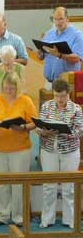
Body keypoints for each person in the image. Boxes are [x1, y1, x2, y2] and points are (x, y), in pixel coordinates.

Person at [0, 72, 37, 226]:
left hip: (20, 148)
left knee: (19, 182)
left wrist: (22, 127)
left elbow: (34, 122)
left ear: (17, 87)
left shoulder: (25, 101)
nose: (8, 91)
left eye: (12, 88)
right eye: (6, 88)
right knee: (0, 182)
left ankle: (19, 216)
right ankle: (1, 215)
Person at [38, 79, 83, 229]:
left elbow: (80, 131)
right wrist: (43, 132)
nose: (59, 99)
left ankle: (70, 220)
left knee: (69, 187)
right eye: (56, 96)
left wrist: (66, 132)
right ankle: (47, 219)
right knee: (48, 186)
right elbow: (39, 127)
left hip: (69, 151)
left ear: (68, 94)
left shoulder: (76, 109)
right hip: (49, 150)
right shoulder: (46, 106)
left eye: (62, 96)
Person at [36, 7, 83, 87]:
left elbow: (77, 58)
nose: (58, 22)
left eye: (61, 19)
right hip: (49, 82)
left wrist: (60, 55)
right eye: (55, 19)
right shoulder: (49, 33)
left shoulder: (77, 35)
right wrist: (40, 53)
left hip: (66, 83)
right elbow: (42, 56)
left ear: (67, 19)